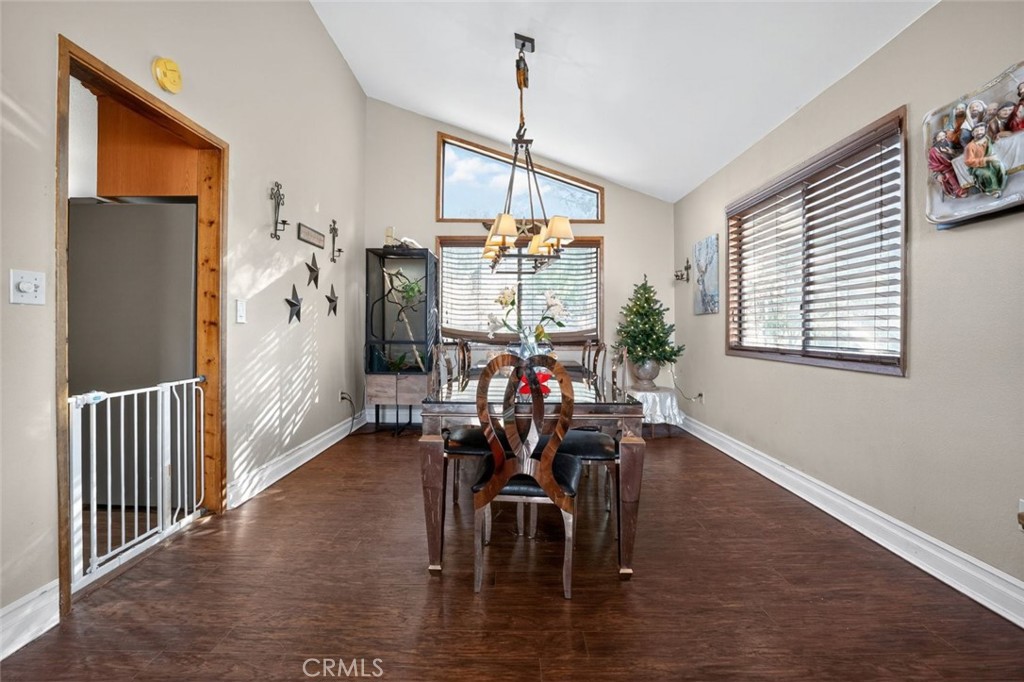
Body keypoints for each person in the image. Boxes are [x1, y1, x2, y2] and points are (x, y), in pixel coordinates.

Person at [964, 124, 1005, 198]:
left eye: (981, 130)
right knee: (987, 174)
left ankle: (1000, 183)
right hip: (977, 167)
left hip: (989, 162)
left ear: (985, 131)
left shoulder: (987, 138)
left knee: (999, 166)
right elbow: (968, 161)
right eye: (976, 131)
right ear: (973, 134)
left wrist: (995, 140)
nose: (979, 132)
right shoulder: (970, 147)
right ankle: (993, 190)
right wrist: (986, 159)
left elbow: (990, 144)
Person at [928, 131, 966, 198]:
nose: (942, 138)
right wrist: (938, 174)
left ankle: (967, 185)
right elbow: (933, 165)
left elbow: (961, 152)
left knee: (962, 167)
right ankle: (959, 191)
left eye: (943, 136)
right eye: (939, 137)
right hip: (943, 169)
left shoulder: (950, 144)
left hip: (954, 165)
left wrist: (951, 152)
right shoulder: (933, 151)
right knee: (948, 175)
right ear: (936, 139)